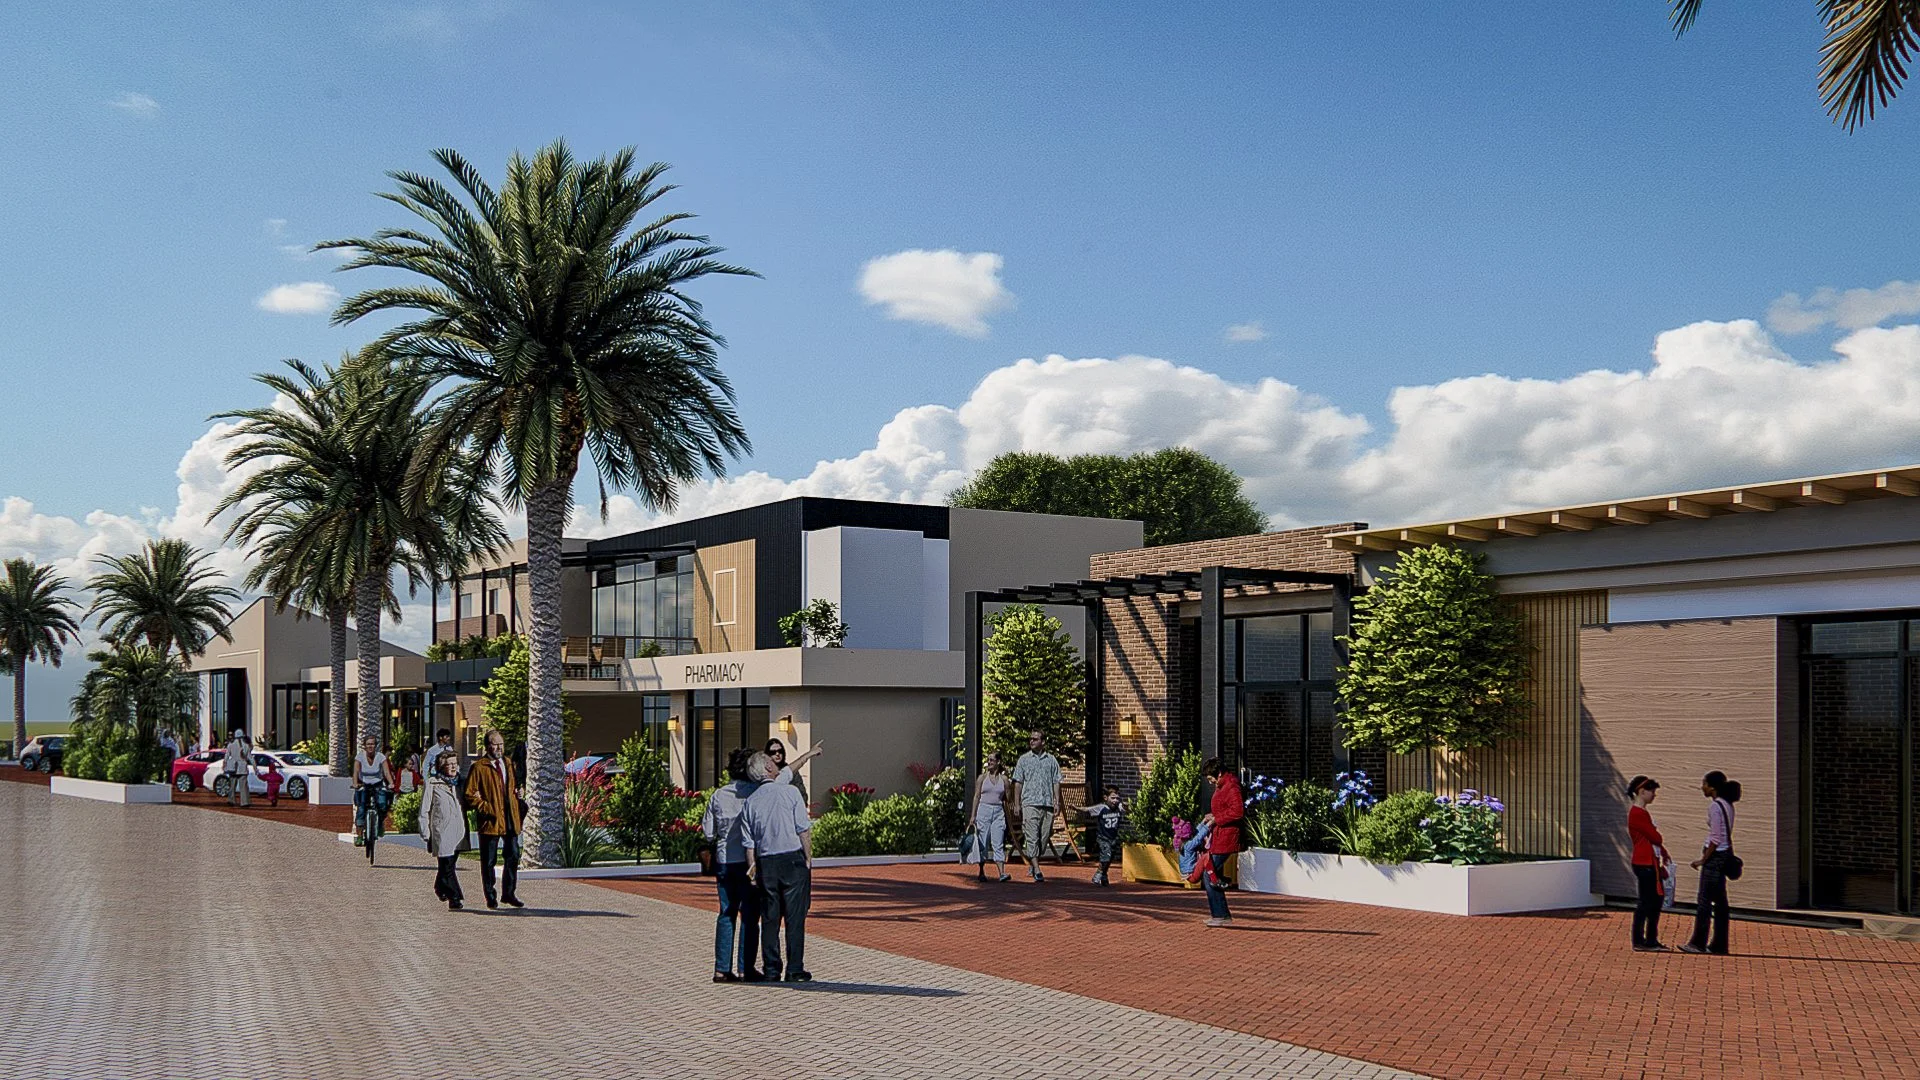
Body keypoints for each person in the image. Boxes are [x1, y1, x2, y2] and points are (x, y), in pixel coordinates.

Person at [741, 750, 813, 982]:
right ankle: (794, 968)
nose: (775, 763)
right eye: (772, 761)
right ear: (768, 769)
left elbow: (749, 843)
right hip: (791, 859)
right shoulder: (790, 792)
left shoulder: (750, 803)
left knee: (770, 919)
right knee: (795, 918)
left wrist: (752, 871)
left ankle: (772, 969)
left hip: (766, 862)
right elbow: (803, 829)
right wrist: (808, 859)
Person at [701, 747, 764, 982]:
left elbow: (709, 833)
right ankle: (745, 967)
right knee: (749, 915)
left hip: (725, 860)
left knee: (726, 913)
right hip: (749, 861)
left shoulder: (719, 795)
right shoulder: (756, 793)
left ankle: (721, 968)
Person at [463, 729, 525, 910]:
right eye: (495, 744)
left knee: (513, 856)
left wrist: (519, 793)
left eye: (501, 744)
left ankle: (509, 893)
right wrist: (485, 807)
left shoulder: (508, 763)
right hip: (490, 820)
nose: (499, 748)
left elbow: (513, 786)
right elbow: (469, 794)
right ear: (487, 746)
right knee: (488, 860)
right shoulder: (479, 767)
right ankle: (490, 896)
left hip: (510, 818)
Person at [1682, 770, 1740, 956]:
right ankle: (1719, 944)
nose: (1702, 787)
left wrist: (1703, 859)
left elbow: (1715, 838)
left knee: (1705, 901)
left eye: (1704, 784)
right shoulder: (1728, 805)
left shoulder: (1715, 807)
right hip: (1725, 856)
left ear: (1712, 787)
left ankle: (1698, 942)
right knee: (1721, 902)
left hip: (1715, 858)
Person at [1010, 730, 1064, 882]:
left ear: (1043, 742)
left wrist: (1056, 801)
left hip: (1046, 803)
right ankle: (1038, 869)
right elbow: (1018, 783)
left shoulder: (1051, 760)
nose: (1031, 741)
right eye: (1030, 739)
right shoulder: (1024, 760)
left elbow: (1056, 781)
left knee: (1044, 838)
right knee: (1032, 837)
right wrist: (1017, 803)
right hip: (1029, 803)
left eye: (1035, 739)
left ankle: (1033, 863)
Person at [419, 747, 467, 910]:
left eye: (455, 764)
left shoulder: (459, 783)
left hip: (458, 832)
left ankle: (439, 887)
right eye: (450, 764)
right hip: (441, 832)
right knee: (446, 866)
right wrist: (425, 832)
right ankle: (455, 898)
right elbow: (424, 809)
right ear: (441, 767)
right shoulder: (433, 784)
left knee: (448, 866)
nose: (454, 767)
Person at [1199, 758, 1244, 927]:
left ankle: (1221, 914)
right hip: (1220, 835)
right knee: (1212, 873)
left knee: (1208, 872)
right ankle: (1221, 913)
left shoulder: (1231, 786)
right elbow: (1225, 808)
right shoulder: (1222, 785)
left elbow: (1237, 811)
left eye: (1211, 779)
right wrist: (1212, 816)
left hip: (1226, 836)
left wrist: (1217, 819)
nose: (1210, 783)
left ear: (1218, 774)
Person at [1626, 776, 1669, 951]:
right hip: (1645, 862)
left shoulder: (1640, 813)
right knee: (1647, 901)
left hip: (1646, 860)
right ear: (1642, 791)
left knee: (1652, 900)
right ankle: (1643, 940)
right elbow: (1655, 837)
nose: (1654, 795)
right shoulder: (1639, 814)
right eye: (1652, 791)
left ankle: (1648, 938)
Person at [969, 751, 1012, 882]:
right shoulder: (982, 778)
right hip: (984, 810)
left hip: (998, 811)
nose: (989, 762)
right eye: (989, 760)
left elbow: (1008, 797)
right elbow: (976, 796)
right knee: (983, 841)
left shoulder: (1004, 779)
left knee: (998, 842)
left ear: (998, 762)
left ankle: (1002, 872)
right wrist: (973, 816)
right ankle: (981, 871)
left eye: (992, 760)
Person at [351, 735, 395, 858]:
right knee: (361, 808)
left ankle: (379, 824)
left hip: (378, 784)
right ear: (365, 746)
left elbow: (386, 772)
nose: (370, 746)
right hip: (364, 784)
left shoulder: (380, 757)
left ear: (376, 746)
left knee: (382, 804)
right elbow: (355, 772)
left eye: (373, 744)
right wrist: (355, 783)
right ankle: (360, 836)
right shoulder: (360, 757)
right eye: (368, 744)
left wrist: (391, 783)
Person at [1078, 786, 1126, 886]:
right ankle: (1098, 874)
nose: (1115, 801)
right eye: (1112, 798)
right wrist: (1076, 808)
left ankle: (1104, 874)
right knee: (1106, 856)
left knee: (1110, 857)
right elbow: (1087, 809)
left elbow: (1127, 809)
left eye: (1117, 798)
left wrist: (1126, 806)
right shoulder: (1102, 808)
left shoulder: (1119, 807)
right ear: (1106, 798)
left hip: (1113, 837)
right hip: (1103, 837)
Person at [765, 737, 824, 807]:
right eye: (773, 752)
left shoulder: (792, 772)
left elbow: (802, 794)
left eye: (780, 751)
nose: (777, 754)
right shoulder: (765, 772)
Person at [221, 729, 255, 808]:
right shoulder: (246, 746)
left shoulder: (230, 745)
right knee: (243, 786)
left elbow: (226, 756)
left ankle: (231, 800)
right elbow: (250, 758)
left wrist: (224, 764)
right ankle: (244, 802)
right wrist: (255, 767)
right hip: (243, 768)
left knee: (232, 785)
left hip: (233, 768)